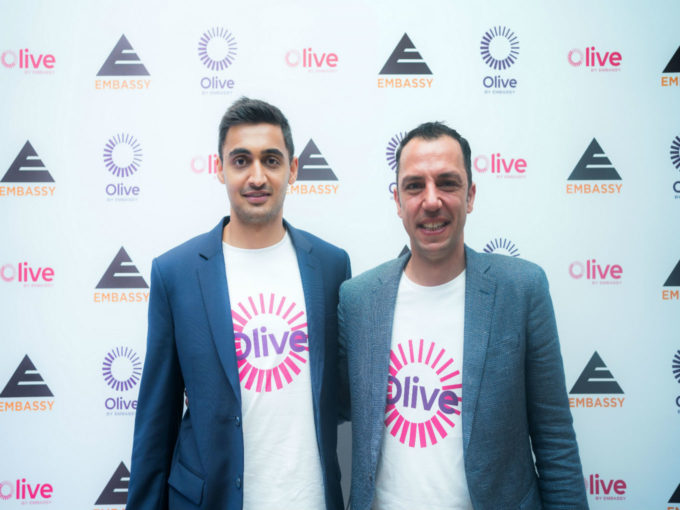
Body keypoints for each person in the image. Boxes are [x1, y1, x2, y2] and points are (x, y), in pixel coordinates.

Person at [338, 122, 588, 509]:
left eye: (447, 183)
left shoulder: (522, 290)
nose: (431, 200)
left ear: (470, 196)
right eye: (415, 186)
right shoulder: (357, 301)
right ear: (398, 201)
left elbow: (555, 439)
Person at [127, 97, 351, 510]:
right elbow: (156, 421)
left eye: (271, 160)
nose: (257, 176)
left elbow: (341, 396)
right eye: (241, 160)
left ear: (293, 169)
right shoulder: (175, 274)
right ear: (220, 169)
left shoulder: (331, 266)